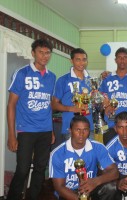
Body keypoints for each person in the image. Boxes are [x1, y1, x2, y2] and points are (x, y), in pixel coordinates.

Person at [6, 38, 56, 200]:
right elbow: (11, 105)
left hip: (45, 131)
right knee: (22, 169)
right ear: (33, 53)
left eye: (47, 52)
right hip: (26, 130)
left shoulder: (51, 77)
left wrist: (51, 131)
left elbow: (48, 105)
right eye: (41, 52)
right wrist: (12, 135)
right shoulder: (22, 73)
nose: (44, 56)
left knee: (40, 169)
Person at [49, 115, 118, 199]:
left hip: (91, 186)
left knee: (111, 187)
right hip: (69, 191)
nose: (81, 134)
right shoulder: (57, 153)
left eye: (85, 130)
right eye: (78, 130)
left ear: (89, 131)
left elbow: (114, 172)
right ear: (70, 131)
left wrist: (96, 181)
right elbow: (59, 187)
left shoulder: (98, 147)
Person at [100, 47, 127, 144]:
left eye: (125, 57)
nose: (122, 60)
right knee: (110, 155)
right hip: (111, 124)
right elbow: (101, 98)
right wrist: (105, 106)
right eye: (119, 57)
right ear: (115, 60)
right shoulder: (107, 78)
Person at [51, 48, 93, 143]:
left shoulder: (91, 81)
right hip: (70, 128)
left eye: (84, 59)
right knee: (72, 157)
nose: (81, 63)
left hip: (88, 127)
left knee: (89, 157)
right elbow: (54, 104)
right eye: (78, 59)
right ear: (71, 60)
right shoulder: (63, 80)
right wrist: (71, 108)